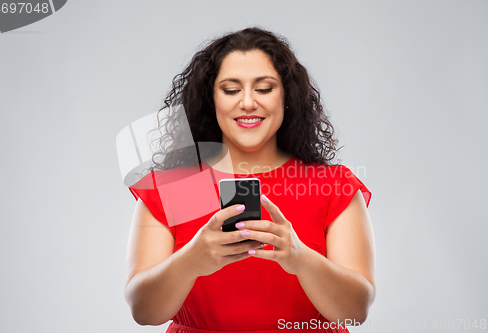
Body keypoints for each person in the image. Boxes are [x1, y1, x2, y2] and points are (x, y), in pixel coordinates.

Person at [124, 27, 376, 333]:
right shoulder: (175, 189)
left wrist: (300, 258)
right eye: (230, 90)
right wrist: (191, 259)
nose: (247, 103)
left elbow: (355, 311)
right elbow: (144, 311)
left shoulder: (333, 186)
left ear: (287, 96)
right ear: (211, 98)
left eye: (264, 88)